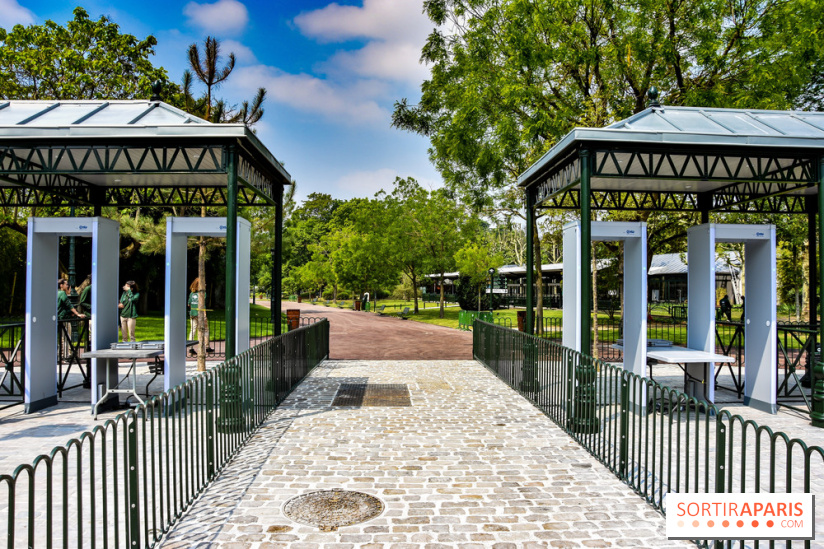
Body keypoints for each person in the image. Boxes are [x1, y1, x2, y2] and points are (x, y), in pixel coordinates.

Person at [188, 278, 213, 355]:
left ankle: (190, 348)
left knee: (193, 330)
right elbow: (202, 303)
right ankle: (207, 347)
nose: (205, 285)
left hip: (192, 314)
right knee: (205, 330)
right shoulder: (203, 293)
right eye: (204, 283)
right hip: (201, 314)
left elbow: (189, 304)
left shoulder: (191, 294)